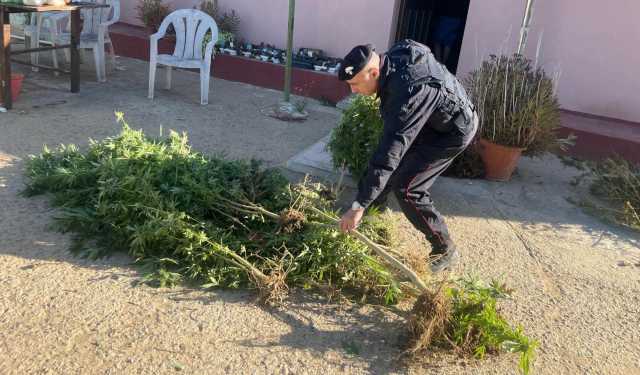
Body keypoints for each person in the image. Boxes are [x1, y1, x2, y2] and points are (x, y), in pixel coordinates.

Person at [337, 40, 478, 273]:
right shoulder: (394, 59)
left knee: (408, 187)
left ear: (374, 72)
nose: (353, 91)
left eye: (355, 84)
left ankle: (445, 248)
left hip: (452, 132)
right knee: (387, 165)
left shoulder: (409, 95)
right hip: (430, 121)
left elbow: (389, 154)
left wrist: (358, 205)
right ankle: (371, 217)